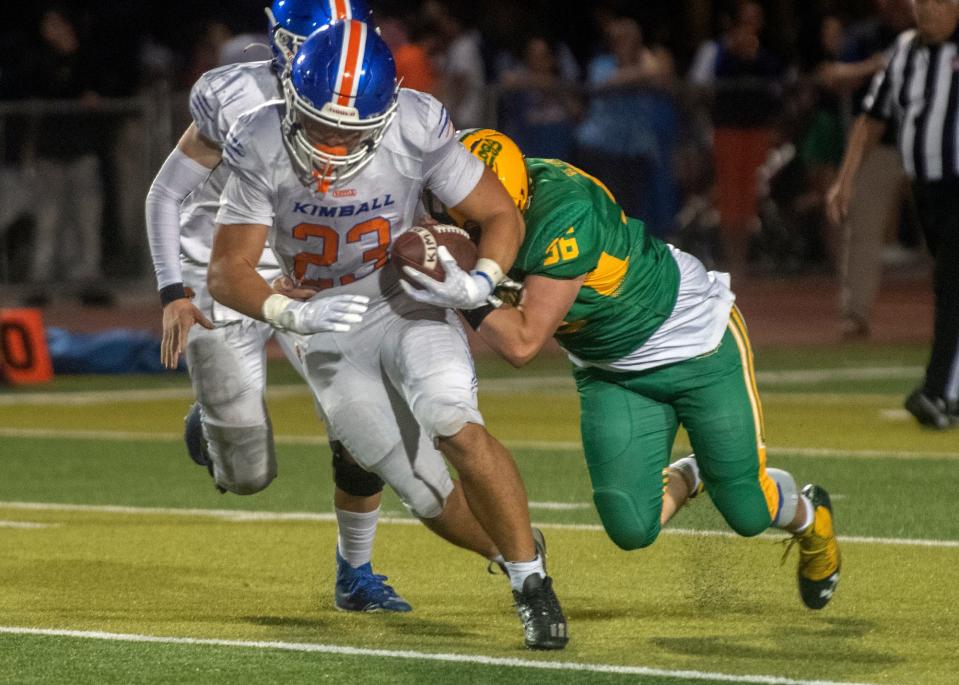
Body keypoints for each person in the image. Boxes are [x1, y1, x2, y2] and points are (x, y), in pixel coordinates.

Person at [207, 20, 568, 650]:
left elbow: (496, 213)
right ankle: (518, 548)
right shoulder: (260, 138)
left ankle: (531, 584)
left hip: (402, 296)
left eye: (347, 130)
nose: (329, 142)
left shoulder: (416, 123)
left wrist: (481, 281)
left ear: (383, 113)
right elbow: (227, 270)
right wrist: (287, 315)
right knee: (423, 491)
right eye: (319, 122)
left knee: (454, 419)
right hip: (320, 317)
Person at [406, 129, 842, 611]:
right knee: (632, 526)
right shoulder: (500, 182)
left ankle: (811, 517)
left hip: (695, 343)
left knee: (748, 511)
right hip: (611, 368)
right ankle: (697, 472)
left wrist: (464, 297)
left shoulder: (564, 215)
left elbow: (524, 342)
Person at [144, 0, 413, 614]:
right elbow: (166, 194)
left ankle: (355, 570)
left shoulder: (364, 95)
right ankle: (211, 427)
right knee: (246, 476)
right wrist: (172, 292)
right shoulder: (235, 95)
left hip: (309, 269)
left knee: (362, 423)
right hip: (223, 272)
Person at [827, 0, 959, 429]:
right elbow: (873, 117)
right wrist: (845, 178)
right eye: (921, 2)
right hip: (927, 188)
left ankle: (936, 390)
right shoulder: (903, 48)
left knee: (950, 284)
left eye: (940, 1)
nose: (928, 10)